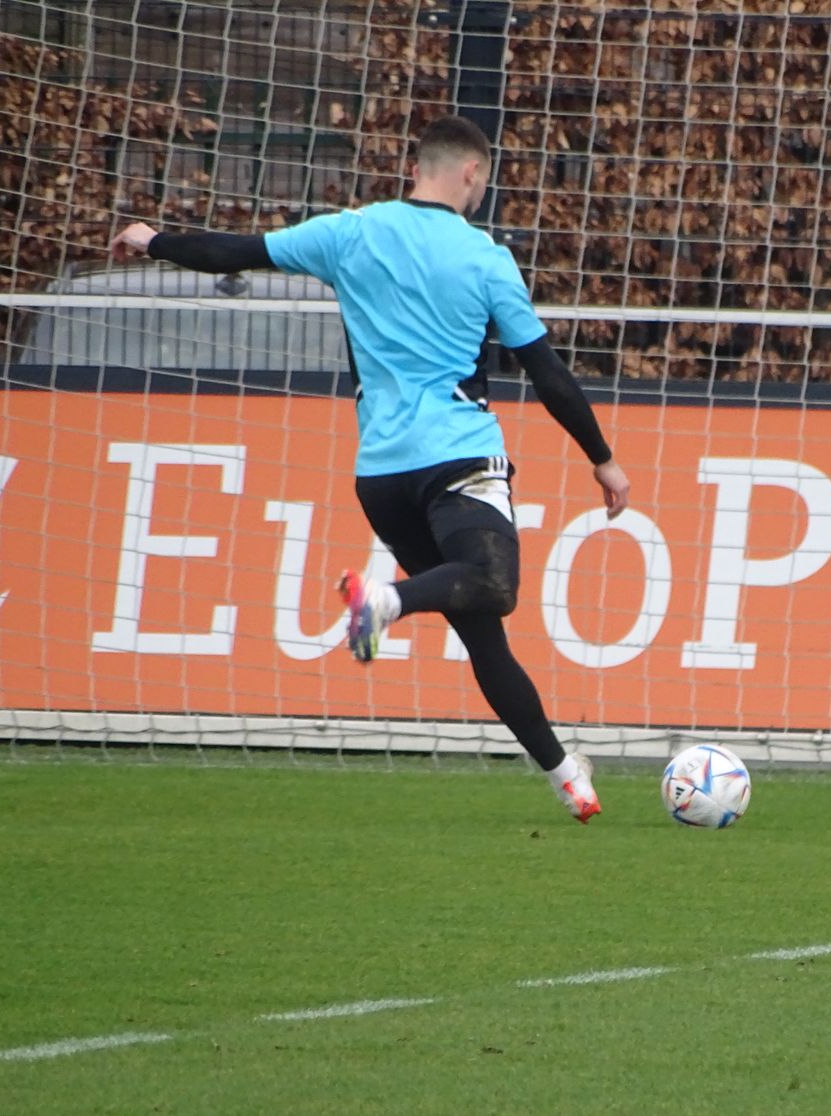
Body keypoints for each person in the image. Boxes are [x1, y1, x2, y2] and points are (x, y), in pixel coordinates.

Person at [110, 114, 629, 824]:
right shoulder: (485, 259)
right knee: (494, 584)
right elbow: (549, 375)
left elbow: (236, 250)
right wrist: (603, 460)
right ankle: (386, 601)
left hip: (381, 478)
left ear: (416, 168)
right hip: (457, 459)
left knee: (481, 629)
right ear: (472, 173)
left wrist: (154, 240)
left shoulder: (349, 233)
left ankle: (567, 775)